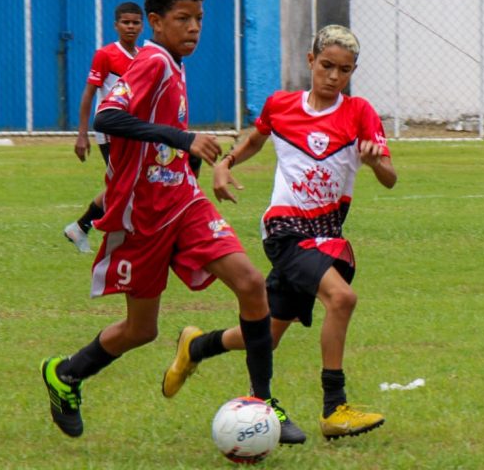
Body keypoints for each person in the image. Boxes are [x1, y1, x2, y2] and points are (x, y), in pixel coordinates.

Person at [40, 0, 300, 443]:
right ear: (155, 22)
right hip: (143, 216)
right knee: (141, 330)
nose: (194, 27)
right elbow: (108, 116)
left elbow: (162, 141)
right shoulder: (153, 61)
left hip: (183, 203)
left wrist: (198, 165)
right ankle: (67, 373)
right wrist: (184, 139)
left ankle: (264, 404)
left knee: (251, 283)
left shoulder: (174, 63)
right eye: (183, 19)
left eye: (199, 18)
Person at [161, 25, 397, 442]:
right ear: (310, 61)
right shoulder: (281, 104)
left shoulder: (360, 112)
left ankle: (195, 347)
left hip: (327, 233)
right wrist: (226, 162)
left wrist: (376, 161)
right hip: (285, 229)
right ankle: (334, 408)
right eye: (326, 66)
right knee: (341, 298)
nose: (333, 76)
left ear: (352, 72)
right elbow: (257, 138)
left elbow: (391, 178)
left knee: (265, 335)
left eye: (344, 70)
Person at [64, 2, 143, 253]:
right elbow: (88, 94)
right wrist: (82, 135)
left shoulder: (143, 56)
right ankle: (113, 236)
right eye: (126, 22)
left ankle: (80, 227)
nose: (130, 27)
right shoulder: (106, 55)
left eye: (135, 22)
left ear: (143, 25)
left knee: (127, 185)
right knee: (127, 186)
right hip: (111, 133)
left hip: (134, 132)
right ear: (116, 25)